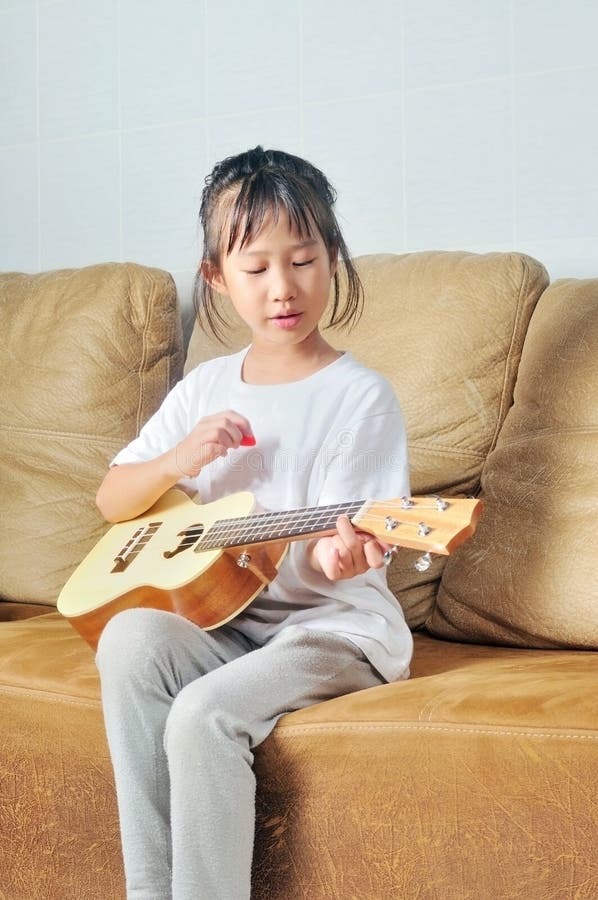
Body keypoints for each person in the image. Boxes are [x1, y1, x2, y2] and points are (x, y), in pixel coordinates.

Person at [95, 146, 412, 900]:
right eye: (257, 268)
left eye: (303, 260)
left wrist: (342, 561)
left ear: (332, 258)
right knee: (128, 637)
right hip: (226, 623)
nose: (283, 288)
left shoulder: (360, 397)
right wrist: (177, 461)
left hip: (334, 632)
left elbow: (350, 556)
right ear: (216, 277)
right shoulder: (204, 387)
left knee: (202, 713)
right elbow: (114, 499)